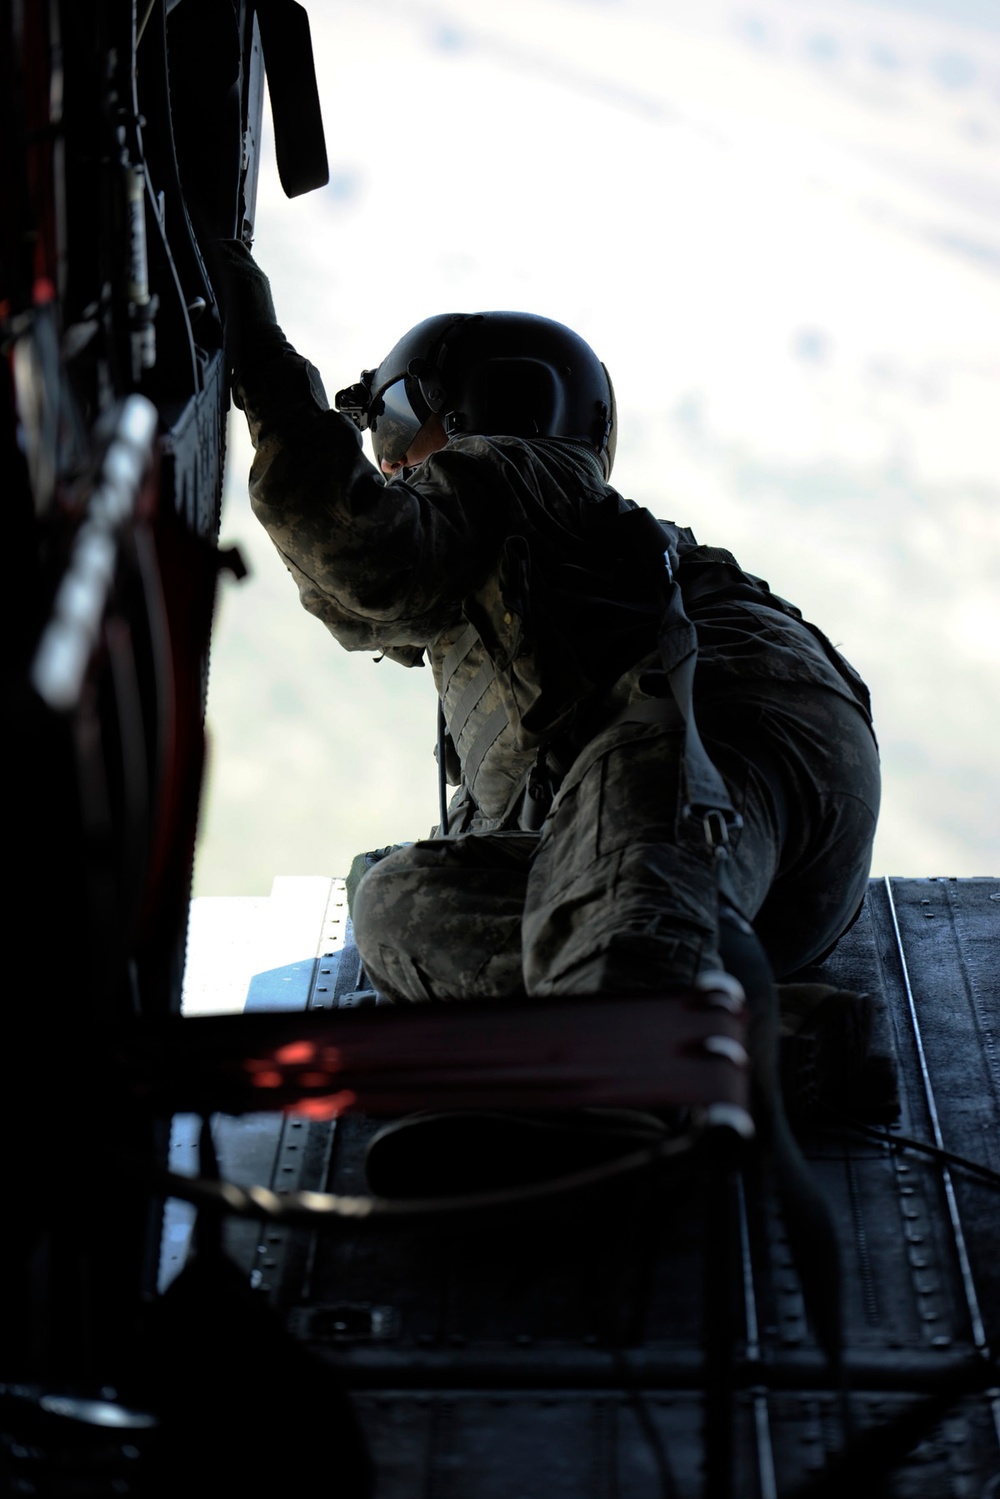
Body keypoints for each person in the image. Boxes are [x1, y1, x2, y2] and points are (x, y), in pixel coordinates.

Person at [217, 241, 880, 1027]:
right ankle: (744, 1026)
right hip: (783, 888)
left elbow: (364, 556)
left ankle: (654, 1048)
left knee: (614, 981)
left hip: (699, 745)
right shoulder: (552, 560)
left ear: (465, 410)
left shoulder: (512, 465)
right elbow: (364, 602)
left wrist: (262, 363)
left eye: (394, 420)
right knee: (402, 908)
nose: (388, 462)